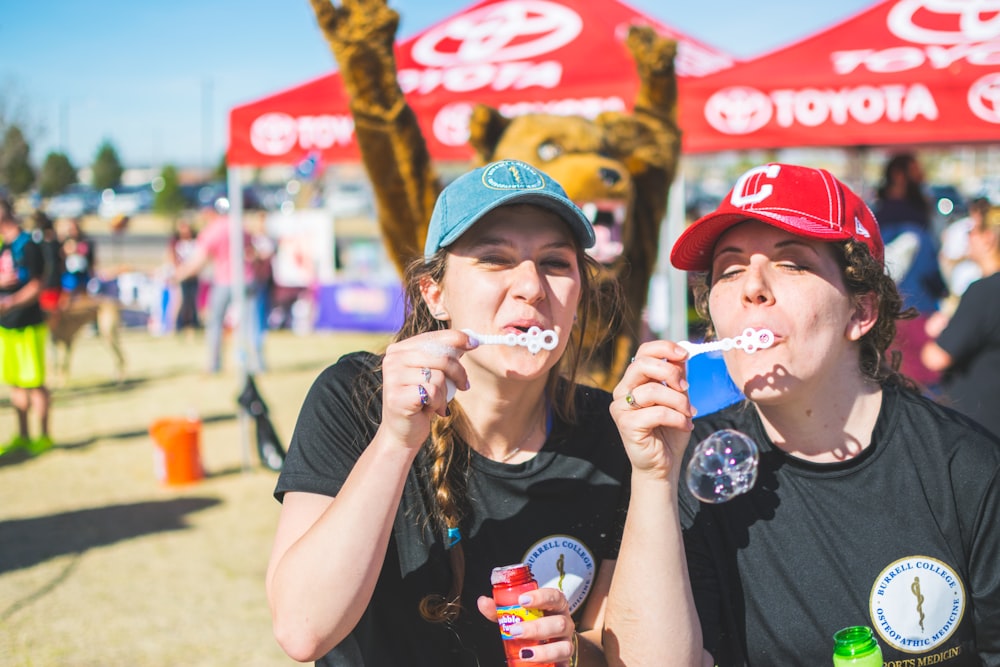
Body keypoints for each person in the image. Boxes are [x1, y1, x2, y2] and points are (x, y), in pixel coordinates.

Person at [604, 163, 1000, 666]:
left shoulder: (964, 467)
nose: (752, 287)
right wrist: (653, 479)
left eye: (791, 264)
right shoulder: (688, 468)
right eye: (729, 270)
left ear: (861, 312)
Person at [266, 159, 628, 666]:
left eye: (554, 262)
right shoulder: (354, 397)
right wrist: (395, 439)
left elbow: (613, 646)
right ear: (434, 295)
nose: (531, 286)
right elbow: (303, 630)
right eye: (495, 259)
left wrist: (572, 653)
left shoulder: (610, 432)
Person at [921, 204, 1000, 438]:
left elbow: (937, 357)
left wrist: (923, 339)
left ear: (988, 238)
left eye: (972, 230)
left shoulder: (984, 291)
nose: (968, 237)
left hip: (980, 428)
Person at [872, 152, 948, 388]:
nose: (922, 178)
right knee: (921, 391)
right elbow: (929, 269)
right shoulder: (916, 220)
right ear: (899, 175)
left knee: (891, 385)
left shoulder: (874, 214)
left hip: (884, 313)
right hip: (916, 312)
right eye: (916, 172)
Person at [174, 208, 264, 374]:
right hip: (247, 278)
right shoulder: (241, 226)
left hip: (225, 281)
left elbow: (198, 260)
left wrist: (180, 274)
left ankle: (214, 364)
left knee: (215, 322)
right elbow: (253, 252)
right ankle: (257, 364)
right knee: (252, 323)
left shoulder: (212, 231)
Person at [0, 199, 54, 457]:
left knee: (35, 383)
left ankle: (43, 437)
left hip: (28, 324)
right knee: (16, 383)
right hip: (7, 327)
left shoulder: (27, 245)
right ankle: (22, 436)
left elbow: (36, 285)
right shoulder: (4, 246)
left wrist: (10, 302)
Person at [166, 216, 201, 334]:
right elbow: (172, 257)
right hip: (181, 275)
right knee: (181, 300)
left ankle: (193, 321)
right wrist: (178, 271)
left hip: (193, 275)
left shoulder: (195, 241)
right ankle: (179, 323)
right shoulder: (176, 243)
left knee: (192, 299)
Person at [58, 215, 96, 298]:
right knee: (69, 294)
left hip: (83, 272)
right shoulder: (66, 241)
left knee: (84, 294)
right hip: (70, 274)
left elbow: (91, 259)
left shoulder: (85, 241)